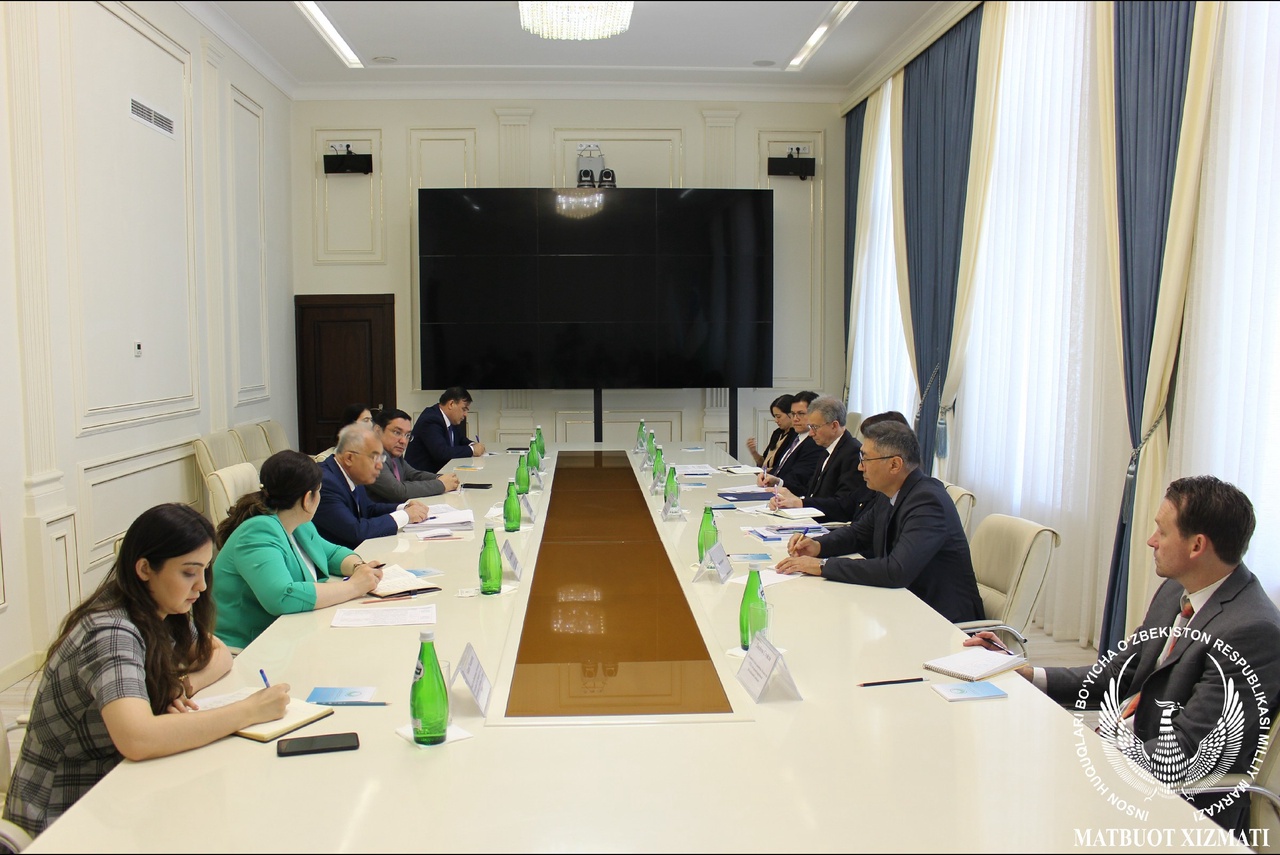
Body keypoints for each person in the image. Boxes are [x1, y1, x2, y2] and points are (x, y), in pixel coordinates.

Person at [966, 475, 1280, 833]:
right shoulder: (1176, 589)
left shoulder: (1251, 632)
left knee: (1006, 805)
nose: (1151, 540)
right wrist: (1029, 674)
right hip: (1124, 754)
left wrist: (1082, 756)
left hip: (1175, 806)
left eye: (1162, 532)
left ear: (1196, 546)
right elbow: (1120, 671)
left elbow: (1188, 752)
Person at [2, 504, 291, 836]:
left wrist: (183, 685)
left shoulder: (161, 611)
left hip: (120, 793)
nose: (201, 586)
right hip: (64, 816)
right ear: (144, 568)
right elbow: (138, 739)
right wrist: (248, 711)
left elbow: (219, 654)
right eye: (189, 572)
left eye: (204, 571)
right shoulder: (111, 631)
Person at [776, 418, 983, 623]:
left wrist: (822, 565)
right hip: (901, 605)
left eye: (865, 459)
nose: (860, 467)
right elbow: (859, 533)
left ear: (894, 464)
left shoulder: (927, 502)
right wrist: (818, 545)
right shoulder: (890, 492)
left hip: (941, 619)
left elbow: (896, 570)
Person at [212, 450, 388, 649]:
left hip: (289, 635)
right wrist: (354, 587)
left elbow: (331, 553)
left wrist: (359, 567)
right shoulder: (258, 531)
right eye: (319, 491)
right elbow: (282, 596)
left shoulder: (298, 523)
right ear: (307, 498)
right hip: (247, 649)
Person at [312, 423, 430, 549]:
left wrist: (404, 508)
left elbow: (369, 509)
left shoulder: (352, 473)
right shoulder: (325, 483)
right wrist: (405, 516)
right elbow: (356, 532)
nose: (380, 466)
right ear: (349, 458)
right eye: (374, 458)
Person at [766, 396, 875, 522]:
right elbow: (811, 491)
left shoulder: (852, 453)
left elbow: (844, 505)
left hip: (828, 525)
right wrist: (787, 493)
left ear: (834, 426)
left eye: (815, 427)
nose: (811, 433)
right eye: (810, 427)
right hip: (811, 518)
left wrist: (801, 503)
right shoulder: (827, 448)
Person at [367, 408, 460, 503]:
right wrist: (441, 484)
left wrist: (441, 478)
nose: (403, 441)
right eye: (397, 432)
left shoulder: (394, 454)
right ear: (377, 431)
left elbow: (413, 474)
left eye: (407, 435)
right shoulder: (372, 455)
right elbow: (398, 491)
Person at [405, 387, 486, 473]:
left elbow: (461, 440)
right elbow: (442, 453)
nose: (465, 414)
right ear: (451, 404)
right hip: (421, 477)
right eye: (464, 409)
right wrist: (472, 450)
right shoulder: (431, 420)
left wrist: (473, 444)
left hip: (441, 473)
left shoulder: (451, 419)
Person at [756, 391, 824, 492]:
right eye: (793, 414)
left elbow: (799, 480)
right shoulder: (795, 436)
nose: (795, 419)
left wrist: (777, 482)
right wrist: (765, 476)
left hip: (788, 494)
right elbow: (780, 468)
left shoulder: (815, 443)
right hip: (772, 489)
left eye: (801, 414)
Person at [745, 393, 795, 471]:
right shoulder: (777, 433)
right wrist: (754, 452)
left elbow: (784, 468)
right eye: (774, 416)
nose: (776, 420)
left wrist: (766, 472)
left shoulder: (795, 437)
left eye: (778, 416)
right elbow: (764, 463)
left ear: (791, 414)